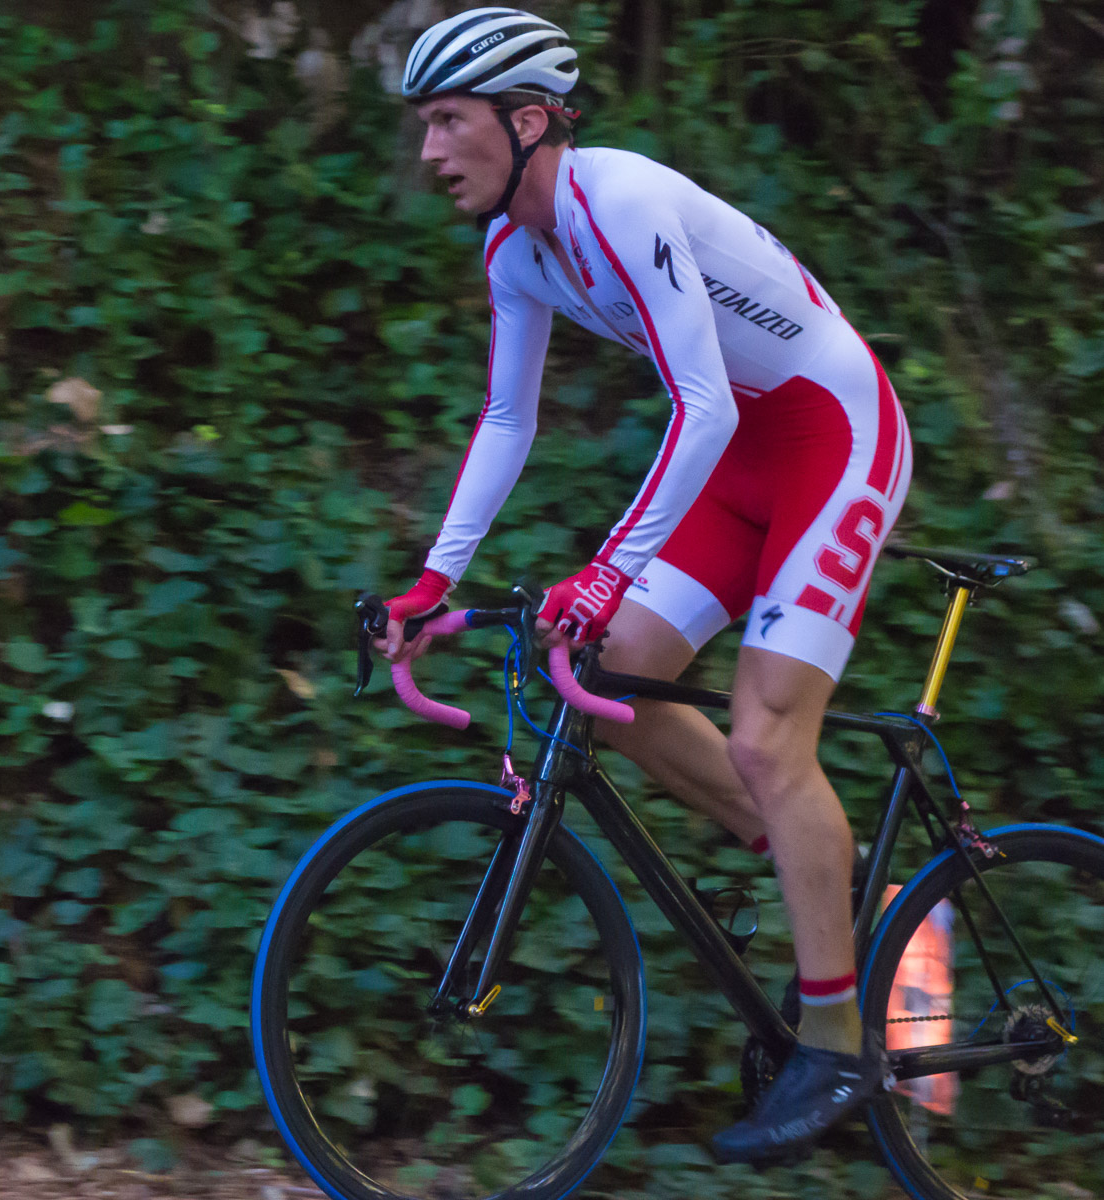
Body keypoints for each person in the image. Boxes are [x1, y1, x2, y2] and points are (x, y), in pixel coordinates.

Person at [374, 7, 912, 1164]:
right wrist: (431, 579)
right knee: (611, 672)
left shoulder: (614, 202)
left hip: (829, 431)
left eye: (449, 120)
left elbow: (700, 403)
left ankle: (836, 1047)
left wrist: (606, 567)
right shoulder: (516, 251)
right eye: (425, 124)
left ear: (528, 121)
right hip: (737, 457)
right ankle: (825, 880)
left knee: (768, 738)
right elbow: (507, 419)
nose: (430, 150)